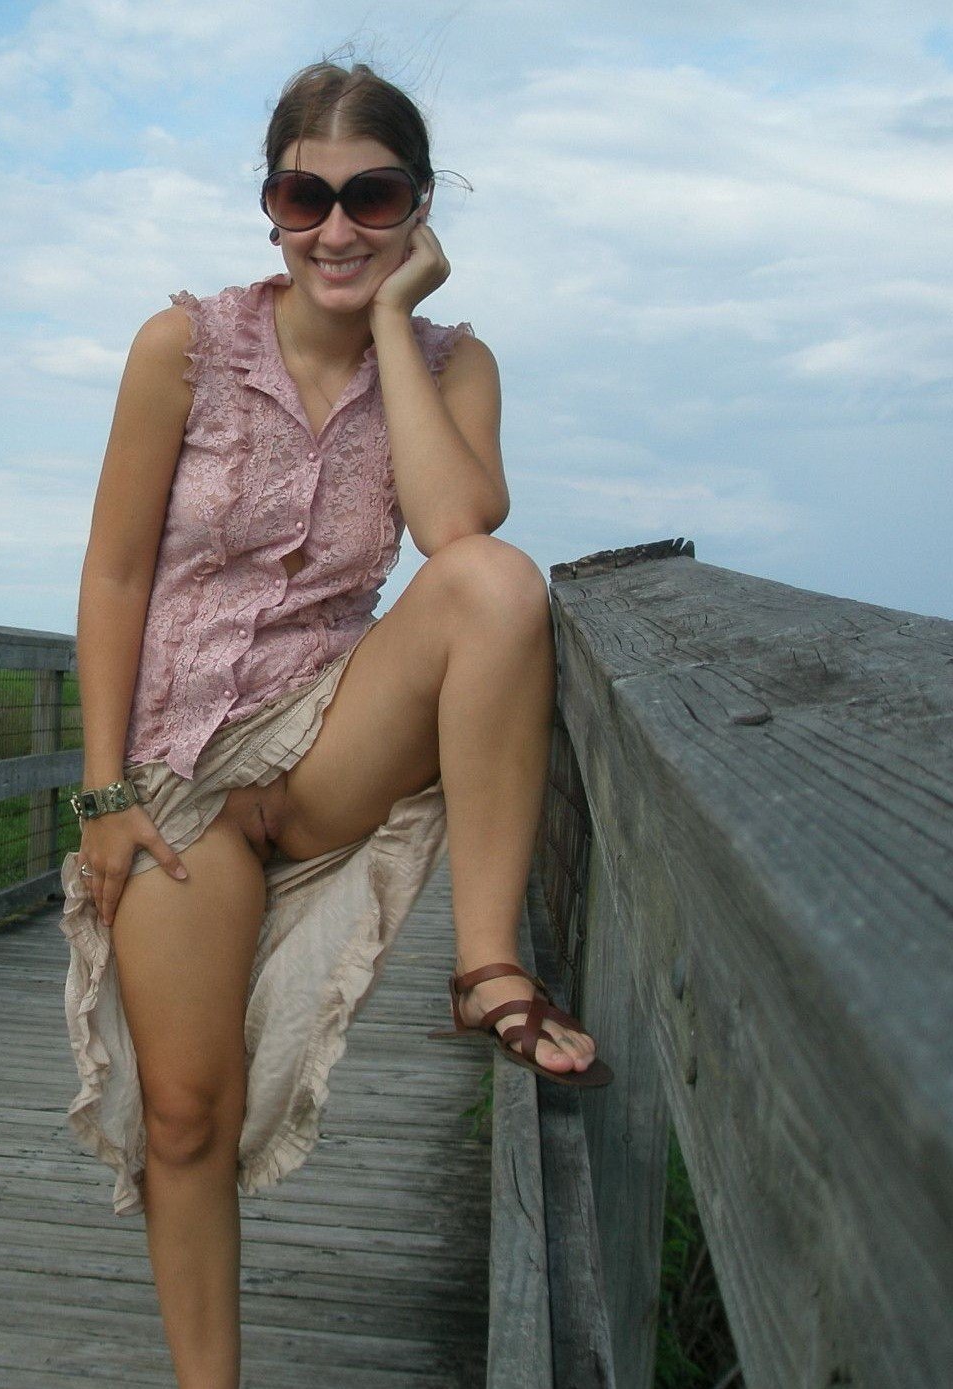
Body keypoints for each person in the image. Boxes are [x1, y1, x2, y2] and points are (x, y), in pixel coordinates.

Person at [58, 58, 614, 1387]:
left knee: (496, 584)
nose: (336, 228)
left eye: (373, 197)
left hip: (325, 739)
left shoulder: (454, 363)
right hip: (181, 774)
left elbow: (455, 530)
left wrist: (394, 327)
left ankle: (486, 967)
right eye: (305, 197)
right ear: (270, 205)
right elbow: (115, 575)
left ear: (418, 206)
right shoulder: (183, 349)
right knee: (189, 1113)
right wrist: (102, 793)